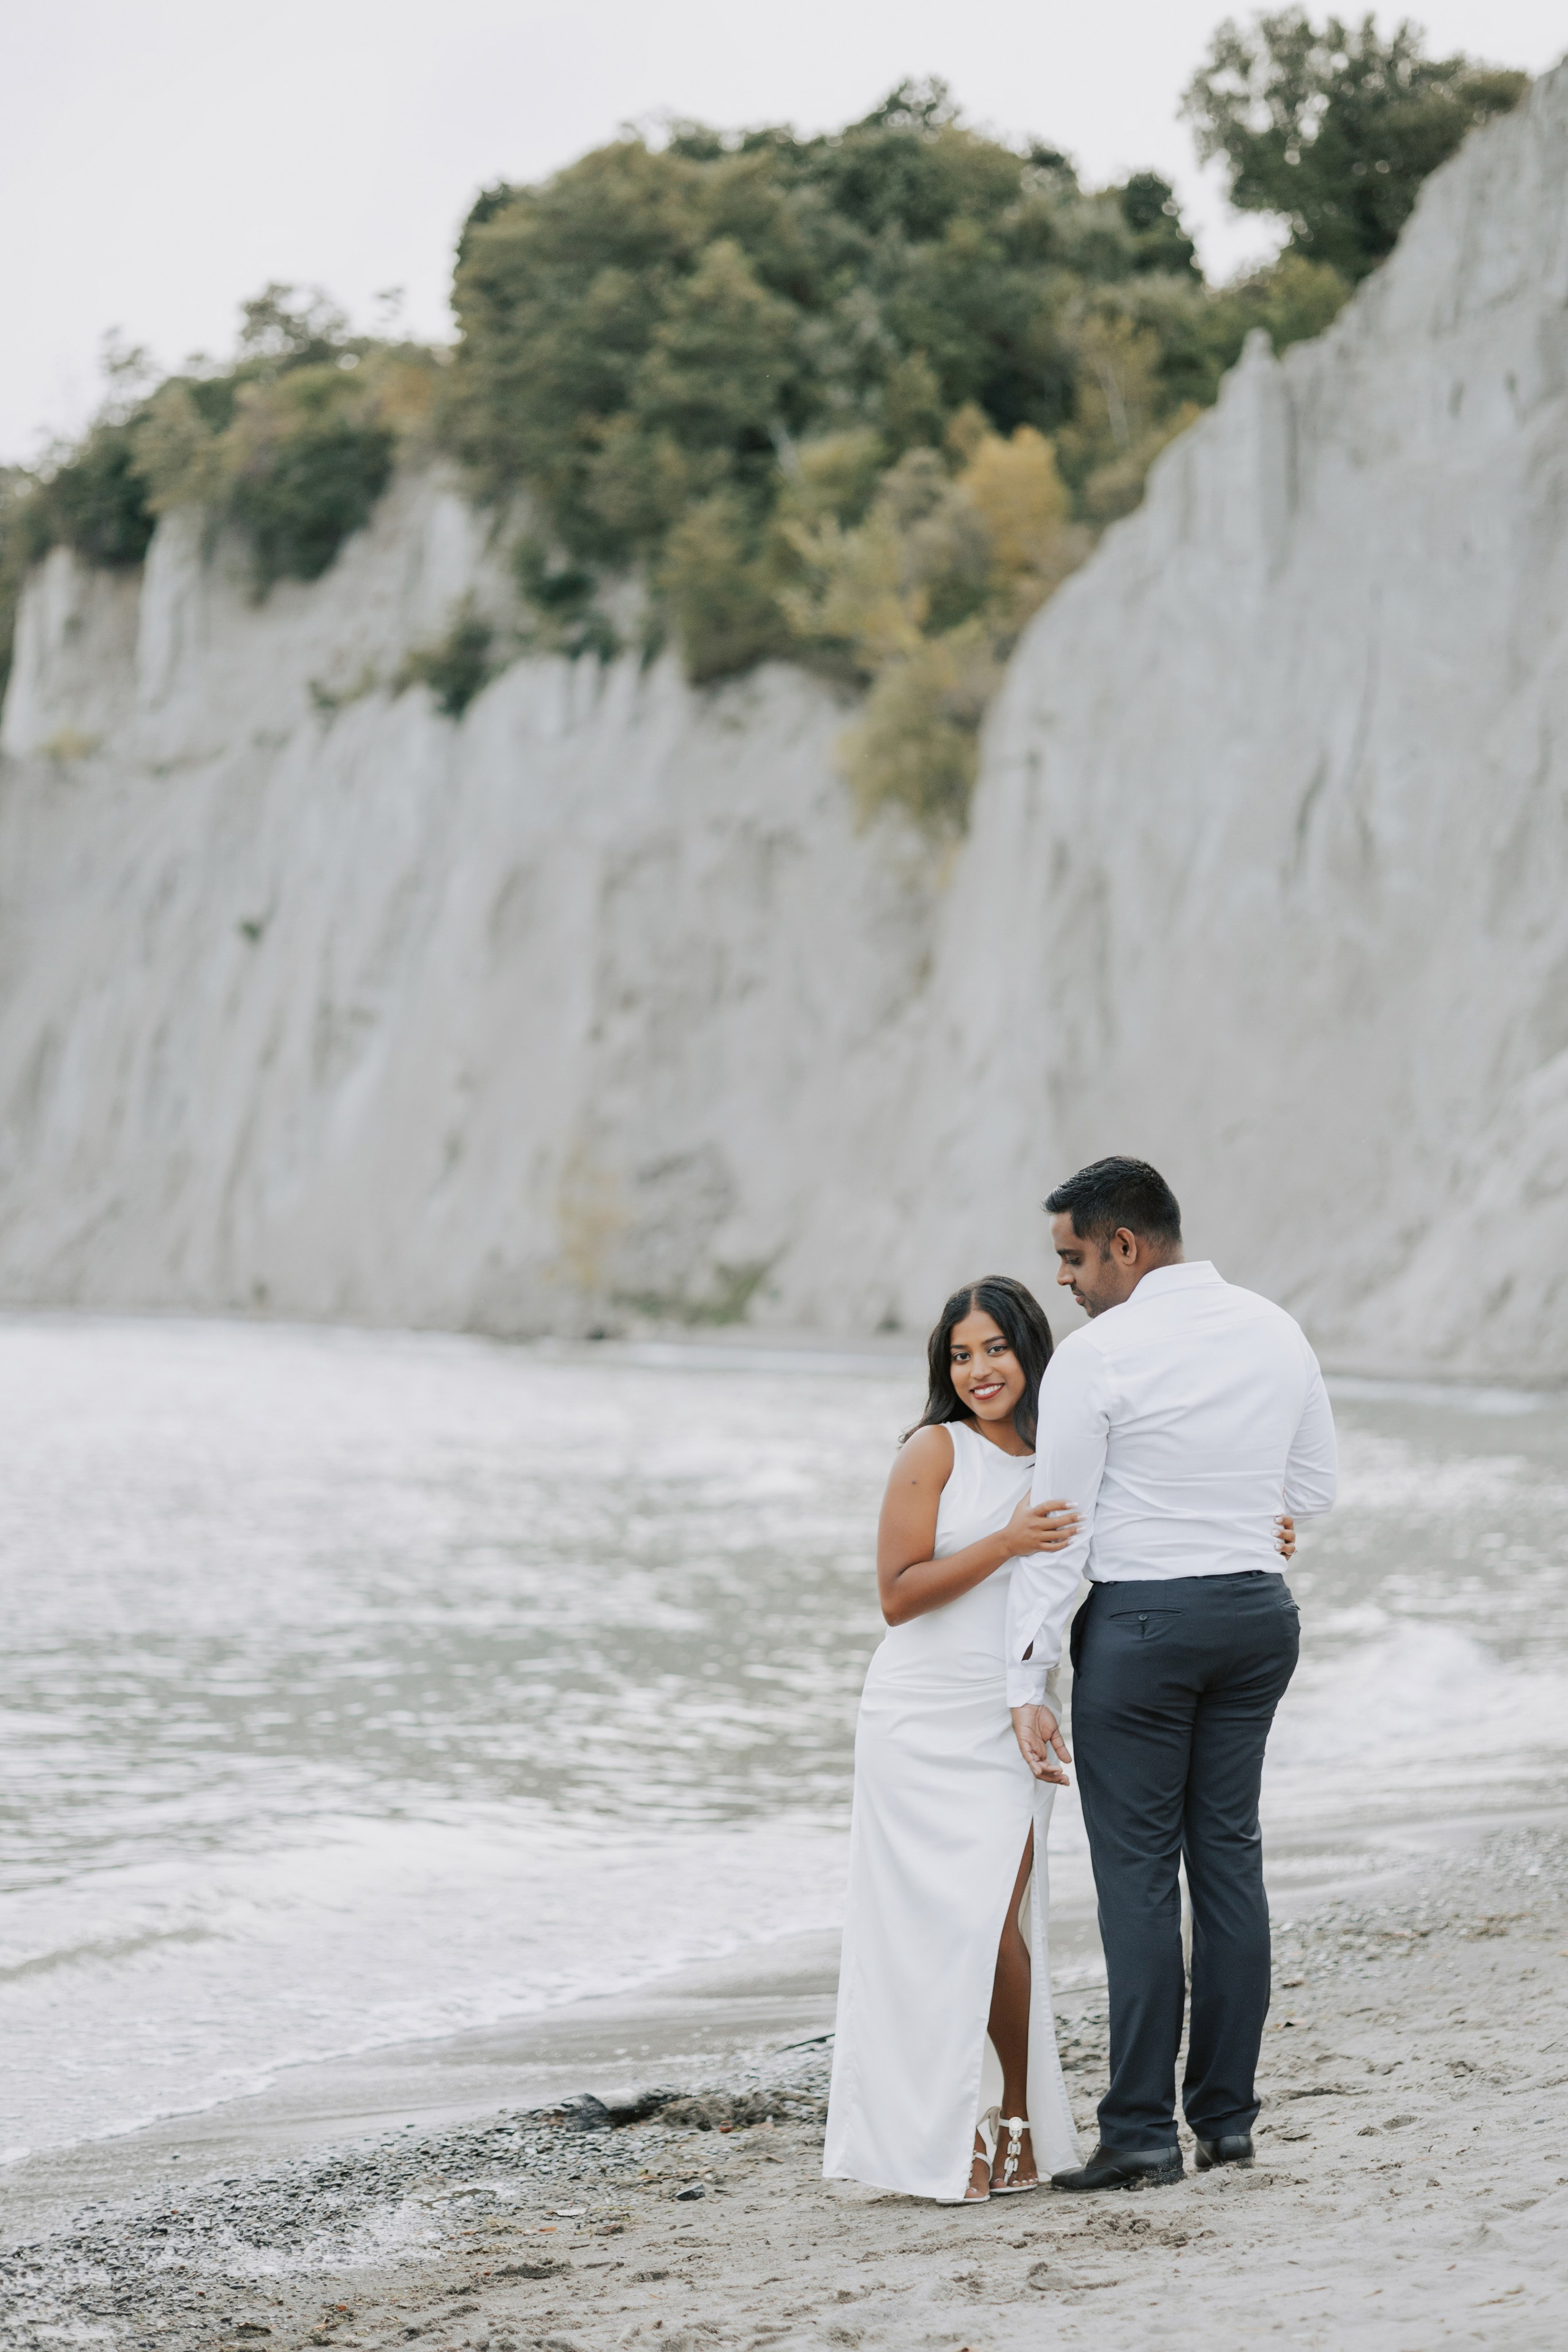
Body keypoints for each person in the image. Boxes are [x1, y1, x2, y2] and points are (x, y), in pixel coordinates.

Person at [1006, 1156, 1337, 2192]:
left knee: (1140, 1876)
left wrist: (1027, 1676)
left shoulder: (1098, 1355)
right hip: (1256, 1617)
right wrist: (1244, 1515)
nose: (1064, 1279)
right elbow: (1313, 1489)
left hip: (1144, 1629)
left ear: (1125, 1245)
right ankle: (1227, 2123)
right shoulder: (1276, 1328)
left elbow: (1059, 1531)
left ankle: (1143, 2134)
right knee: (1229, 1857)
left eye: (1072, 1257)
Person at [823, 1277, 1087, 2204]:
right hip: (916, 1717)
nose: (979, 1371)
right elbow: (898, 1596)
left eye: (996, 1349)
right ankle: (946, 2135)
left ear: (1031, 1351)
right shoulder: (933, 1450)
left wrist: (1264, 1531)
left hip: (1011, 1714)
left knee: (992, 1924)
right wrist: (1007, 1543)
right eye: (961, 1355)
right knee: (926, 1932)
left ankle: (1015, 2121)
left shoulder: (1068, 1462)